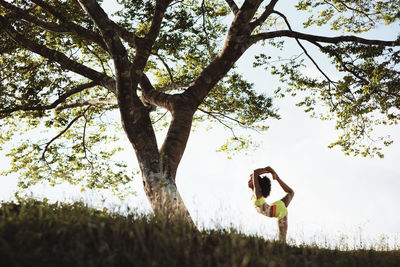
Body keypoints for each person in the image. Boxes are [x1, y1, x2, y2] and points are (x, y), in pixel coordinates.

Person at [248, 166, 294, 243]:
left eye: (250, 180)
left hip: (279, 211)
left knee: (282, 241)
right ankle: (277, 178)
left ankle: (277, 177)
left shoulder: (257, 193)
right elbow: (254, 174)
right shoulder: (255, 194)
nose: (248, 181)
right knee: (291, 193)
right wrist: (272, 172)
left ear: (255, 182)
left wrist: (269, 171)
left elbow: (255, 172)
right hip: (276, 207)